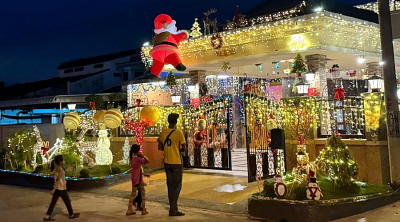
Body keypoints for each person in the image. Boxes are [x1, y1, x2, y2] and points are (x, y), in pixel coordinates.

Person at [158, 113, 186, 216]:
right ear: (176, 122)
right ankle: (173, 209)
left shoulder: (163, 132)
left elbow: (160, 146)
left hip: (167, 162)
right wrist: (177, 149)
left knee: (170, 186)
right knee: (177, 186)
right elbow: (184, 148)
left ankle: (173, 208)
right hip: (177, 162)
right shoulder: (178, 133)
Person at [44, 155, 80, 221]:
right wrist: (54, 189)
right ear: (60, 162)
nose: (64, 161)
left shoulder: (59, 168)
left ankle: (47, 216)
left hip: (59, 188)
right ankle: (71, 214)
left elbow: (56, 178)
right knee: (67, 201)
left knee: (54, 202)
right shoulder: (59, 169)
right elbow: (57, 179)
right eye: (63, 160)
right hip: (61, 189)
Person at [126, 144, 149, 216]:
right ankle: (143, 209)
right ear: (137, 151)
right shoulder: (138, 159)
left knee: (133, 194)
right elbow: (147, 161)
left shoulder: (132, 158)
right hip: (138, 179)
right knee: (143, 194)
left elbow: (138, 169)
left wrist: (144, 174)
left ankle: (129, 209)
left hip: (134, 177)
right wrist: (142, 156)